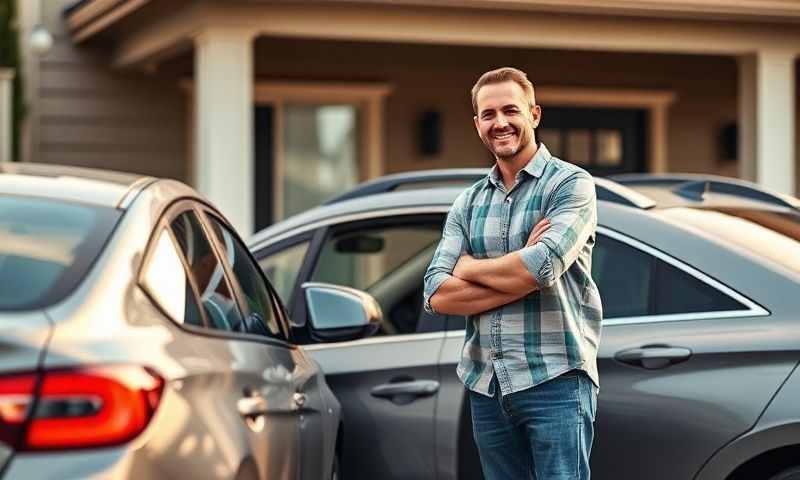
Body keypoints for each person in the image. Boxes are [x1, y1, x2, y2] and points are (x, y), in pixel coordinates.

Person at [423, 67, 602, 480]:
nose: (499, 122)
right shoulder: (467, 203)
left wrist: (469, 268)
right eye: (488, 114)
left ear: (534, 114)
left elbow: (544, 265)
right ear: (477, 125)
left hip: (555, 379)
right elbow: (436, 295)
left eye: (510, 110)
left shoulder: (570, 185)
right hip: (487, 385)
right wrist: (522, 267)